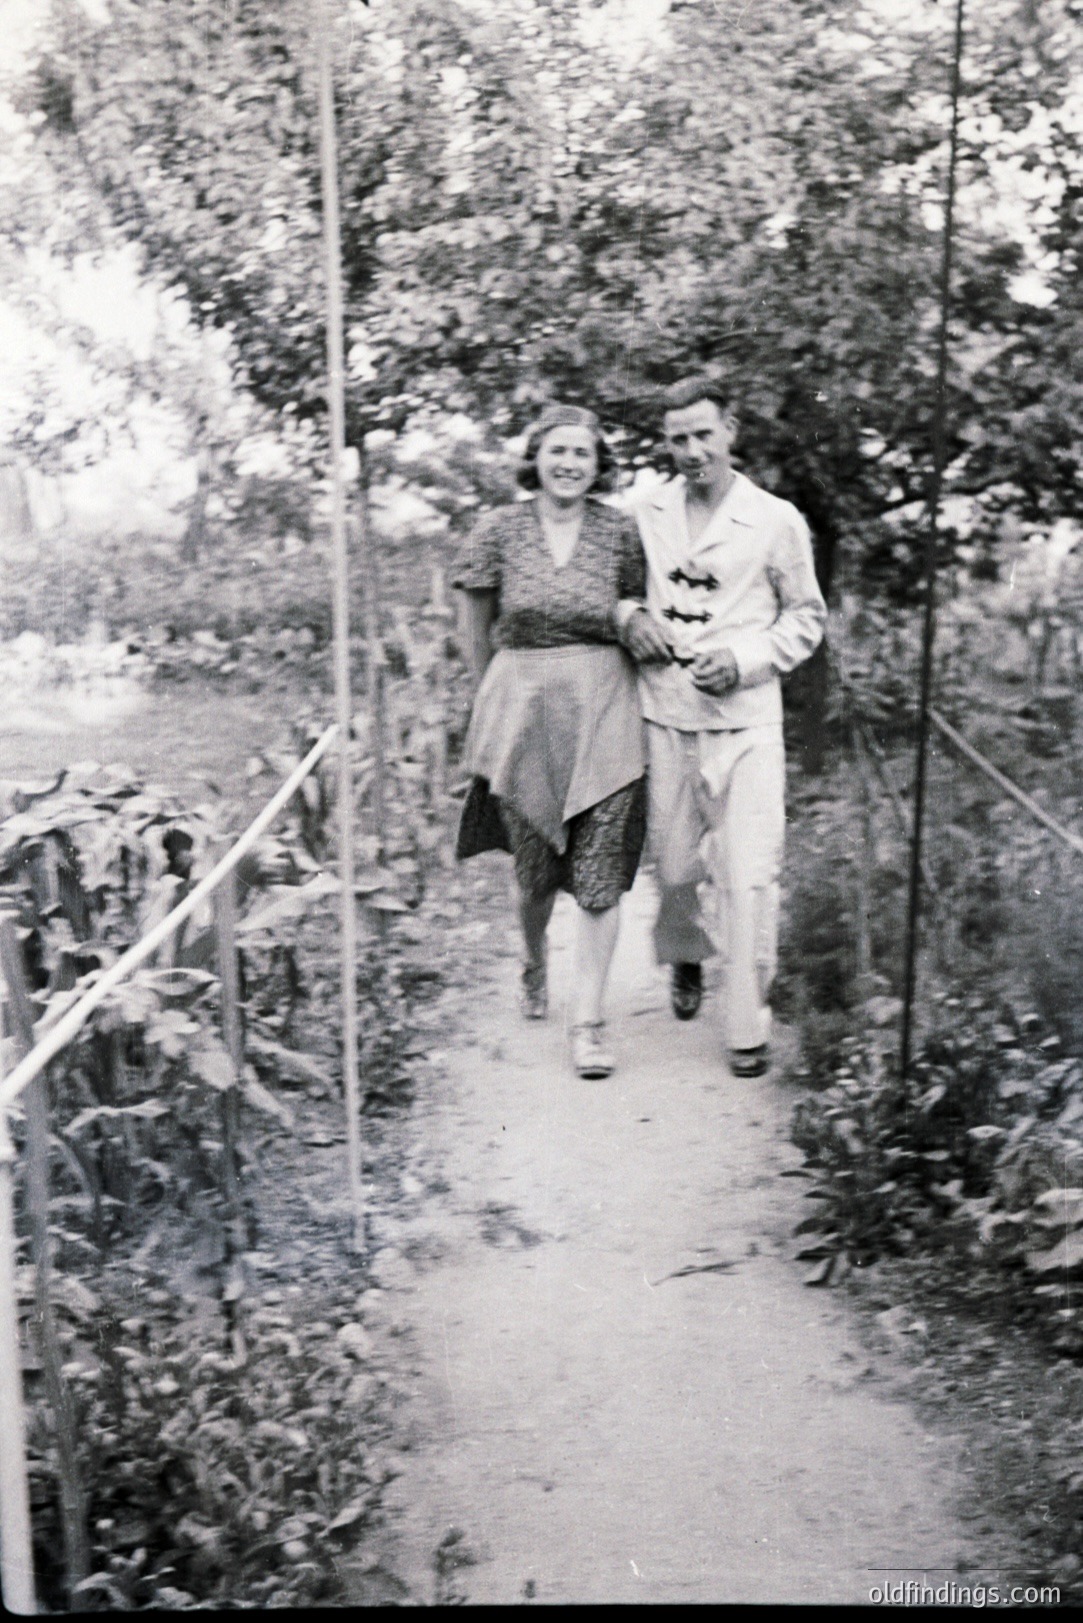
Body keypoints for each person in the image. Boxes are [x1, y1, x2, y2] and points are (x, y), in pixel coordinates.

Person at [620, 376, 827, 1077]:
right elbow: (616, 586)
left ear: (730, 429)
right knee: (676, 866)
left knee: (747, 874)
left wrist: (742, 660)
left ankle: (745, 1027)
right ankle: (684, 952)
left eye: (702, 434)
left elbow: (805, 617)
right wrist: (630, 618)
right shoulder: (642, 511)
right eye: (676, 438)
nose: (690, 450)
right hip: (666, 714)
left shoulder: (775, 519)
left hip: (744, 723)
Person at [453, 403, 661, 1080]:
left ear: (598, 463)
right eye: (557, 450)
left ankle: (589, 1023)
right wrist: (494, 707)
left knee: (600, 876)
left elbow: (634, 607)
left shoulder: (620, 532)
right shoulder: (497, 530)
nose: (570, 462)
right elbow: (475, 627)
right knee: (535, 875)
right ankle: (535, 960)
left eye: (582, 452)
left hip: (604, 706)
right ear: (535, 458)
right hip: (523, 706)